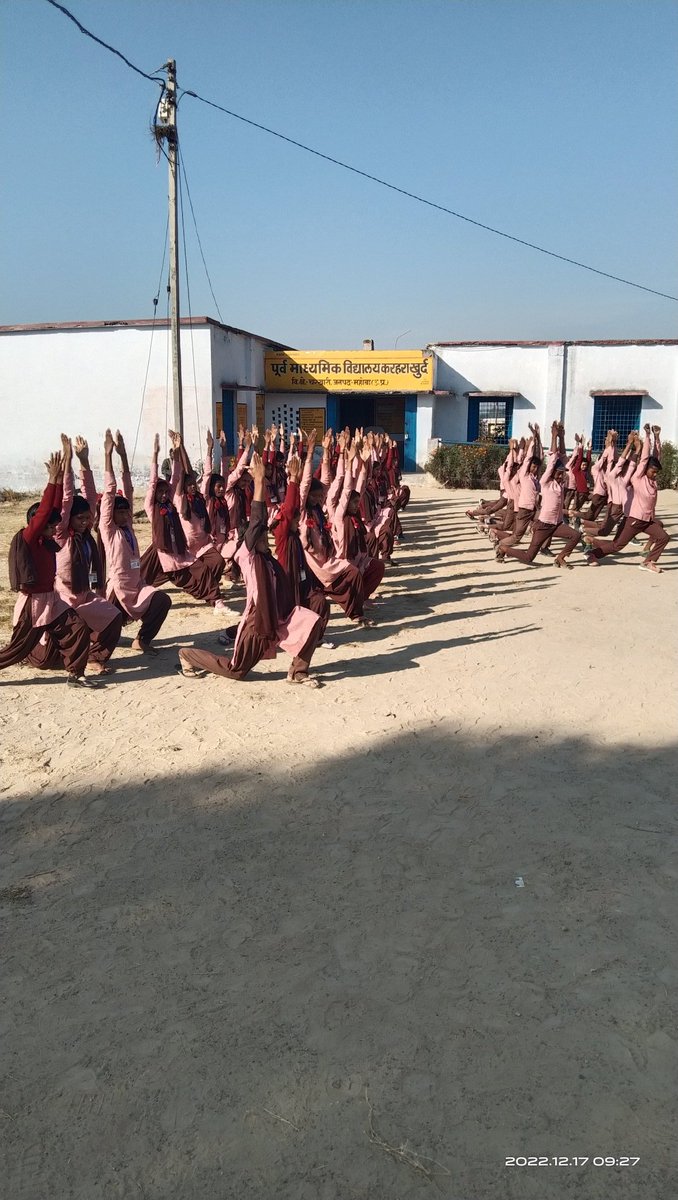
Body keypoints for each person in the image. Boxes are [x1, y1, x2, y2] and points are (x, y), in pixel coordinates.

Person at [178, 452, 323, 685]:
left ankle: (298, 673)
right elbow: (257, 519)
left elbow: (280, 514)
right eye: (261, 536)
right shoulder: (246, 555)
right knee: (236, 670)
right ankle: (188, 655)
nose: (266, 538)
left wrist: (294, 480)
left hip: (279, 616)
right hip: (258, 621)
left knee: (312, 621)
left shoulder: (268, 559)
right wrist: (257, 482)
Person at [30, 434, 124, 675]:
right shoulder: (61, 533)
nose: (85, 522)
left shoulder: (85, 535)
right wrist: (68, 461)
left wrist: (86, 461)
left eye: (87, 518)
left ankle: (95, 657)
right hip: (62, 601)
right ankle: (32, 653)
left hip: (84, 596)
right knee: (46, 659)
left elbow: (90, 496)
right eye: (80, 518)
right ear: (69, 519)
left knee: (114, 617)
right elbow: (67, 498)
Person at [0, 450, 96, 687]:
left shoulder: (46, 540)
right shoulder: (30, 538)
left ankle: (76, 674)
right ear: (38, 524)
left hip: (51, 599)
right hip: (33, 605)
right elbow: (44, 512)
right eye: (50, 525)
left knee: (78, 627)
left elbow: (54, 509)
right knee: (18, 648)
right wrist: (51, 480)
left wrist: (60, 477)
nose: (55, 528)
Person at [99, 428, 172, 654]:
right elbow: (111, 492)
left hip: (137, 586)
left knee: (162, 600)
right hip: (118, 588)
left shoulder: (128, 527)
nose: (124, 515)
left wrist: (123, 456)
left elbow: (128, 489)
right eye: (120, 513)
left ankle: (141, 640)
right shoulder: (109, 530)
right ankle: (96, 656)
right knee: (105, 627)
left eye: (126, 512)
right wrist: (108, 455)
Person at [299, 430, 374, 627]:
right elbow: (309, 485)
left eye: (318, 497)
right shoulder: (303, 513)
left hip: (329, 559)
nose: (317, 499)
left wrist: (348, 461)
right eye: (313, 497)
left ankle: (356, 612)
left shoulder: (318, 511)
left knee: (354, 573)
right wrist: (310, 454)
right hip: (313, 562)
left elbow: (333, 482)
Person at [140, 432, 225, 605]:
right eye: (161, 493)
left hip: (185, 550)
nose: (164, 495)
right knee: (141, 581)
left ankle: (215, 599)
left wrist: (179, 451)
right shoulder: (167, 503)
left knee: (210, 567)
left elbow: (187, 476)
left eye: (166, 493)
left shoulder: (198, 500)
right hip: (166, 551)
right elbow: (165, 480)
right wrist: (156, 455)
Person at [498, 423, 581, 569]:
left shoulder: (560, 483)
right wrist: (553, 436)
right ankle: (503, 549)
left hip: (556, 524)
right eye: (559, 473)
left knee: (576, 535)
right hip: (543, 524)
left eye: (563, 473)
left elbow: (562, 458)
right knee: (529, 556)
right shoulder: (545, 482)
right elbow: (553, 459)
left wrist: (562, 436)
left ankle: (560, 558)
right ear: (552, 472)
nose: (562, 475)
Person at [588, 425, 670, 573]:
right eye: (653, 471)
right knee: (617, 546)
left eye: (657, 472)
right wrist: (646, 437)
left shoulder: (653, 481)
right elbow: (645, 459)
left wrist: (656, 437)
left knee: (663, 537)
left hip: (647, 520)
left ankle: (648, 562)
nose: (656, 474)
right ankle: (593, 554)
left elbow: (656, 458)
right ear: (645, 469)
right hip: (633, 520)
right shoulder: (638, 478)